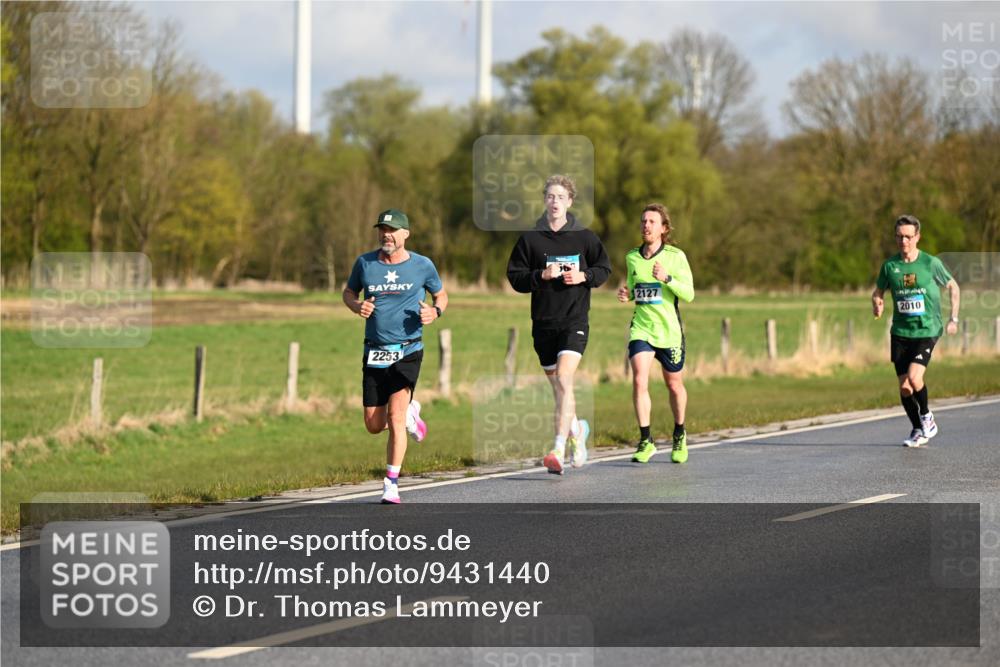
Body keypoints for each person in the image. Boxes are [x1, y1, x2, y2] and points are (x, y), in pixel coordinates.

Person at [506, 175, 611, 474]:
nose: (555, 202)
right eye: (550, 196)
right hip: (543, 324)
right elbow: (515, 277)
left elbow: (604, 268)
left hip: (574, 320)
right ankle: (578, 431)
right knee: (560, 390)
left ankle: (557, 447)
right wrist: (541, 275)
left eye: (561, 197)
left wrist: (584, 276)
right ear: (544, 200)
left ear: (570, 201)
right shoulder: (531, 239)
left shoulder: (584, 237)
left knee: (565, 379)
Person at [343, 209, 448, 503]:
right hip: (374, 351)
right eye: (382, 229)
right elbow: (348, 292)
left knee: (395, 416)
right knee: (374, 425)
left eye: (392, 230)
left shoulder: (422, 265)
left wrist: (435, 311)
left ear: (406, 234)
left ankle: (391, 483)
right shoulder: (365, 263)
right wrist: (356, 306)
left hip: (408, 350)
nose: (386, 235)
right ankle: (412, 414)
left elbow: (441, 295)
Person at [872, 214, 960, 447]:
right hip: (900, 333)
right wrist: (877, 302)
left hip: (927, 330)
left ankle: (927, 415)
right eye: (899, 237)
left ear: (917, 237)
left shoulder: (930, 263)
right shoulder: (890, 266)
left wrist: (953, 318)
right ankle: (917, 429)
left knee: (914, 377)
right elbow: (878, 292)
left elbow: (953, 286)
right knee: (904, 387)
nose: (904, 241)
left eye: (908, 237)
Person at [617, 204, 694, 464]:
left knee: (674, 385)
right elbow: (634, 287)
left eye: (652, 221)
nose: (646, 225)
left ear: (663, 228)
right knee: (639, 380)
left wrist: (667, 278)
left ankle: (679, 433)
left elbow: (689, 294)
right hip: (642, 328)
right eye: (643, 221)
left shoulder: (676, 256)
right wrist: (626, 294)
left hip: (669, 331)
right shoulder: (632, 257)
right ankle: (646, 440)